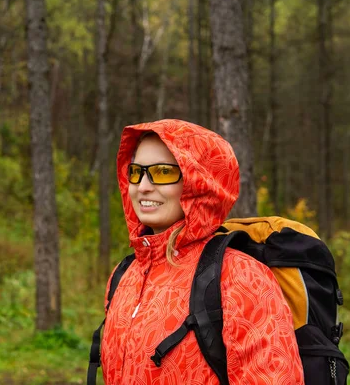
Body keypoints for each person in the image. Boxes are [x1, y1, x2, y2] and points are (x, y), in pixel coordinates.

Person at [100, 119, 304, 384]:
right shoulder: (124, 275)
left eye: (162, 172)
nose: (143, 186)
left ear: (200, 182)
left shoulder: (240, 278)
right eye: (137, 171)